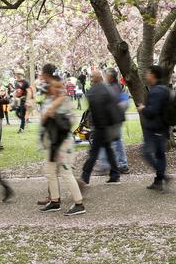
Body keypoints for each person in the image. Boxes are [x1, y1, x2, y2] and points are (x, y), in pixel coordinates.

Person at [38, 64, 86, 215]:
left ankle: (79, 204)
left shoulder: (63, 100)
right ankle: (54, 201)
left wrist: (52, 113)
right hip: (52, 142)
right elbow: (43, 117)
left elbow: (70, 120)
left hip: (63, 142)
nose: (49, 88)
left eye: (52, 86)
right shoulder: (50, 100)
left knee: (65, 172)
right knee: (50, 171)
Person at [80, 71, 121, 186]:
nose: (91, 79)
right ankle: (115, 174)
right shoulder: (106, 89)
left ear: (95, 78)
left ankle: (85, 176)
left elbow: (96, 110)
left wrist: (96, 126)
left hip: (100, 127)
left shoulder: (94, 91)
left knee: (94, 152)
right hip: (107, 125)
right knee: (108, 150)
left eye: (92, 77)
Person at [139, 65, 170, 192]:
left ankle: (163, 176)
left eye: (148, 73)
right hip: (162, 127)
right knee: (159, 154)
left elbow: (153, 111)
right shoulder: (163, 89)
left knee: (146, 153)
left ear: (153, 75)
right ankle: (158, 181)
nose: (146, 76)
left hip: (155, 128)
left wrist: (143, 109)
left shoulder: (156, 91)